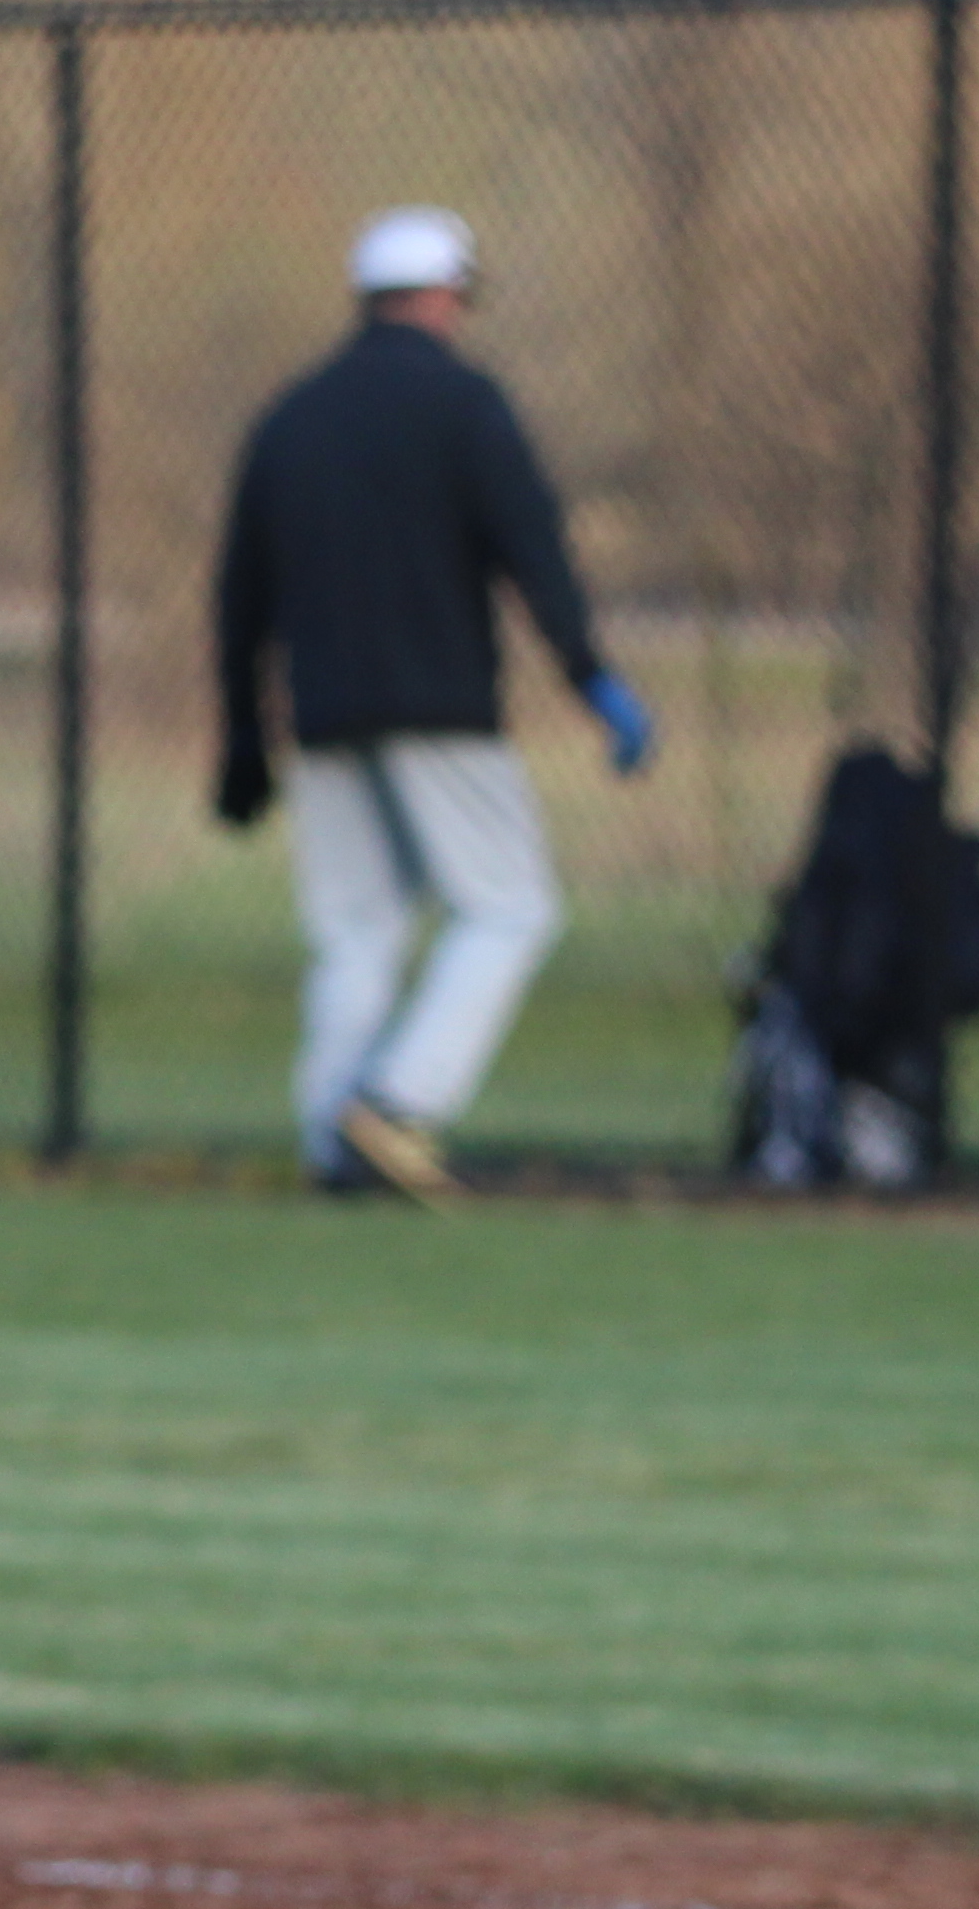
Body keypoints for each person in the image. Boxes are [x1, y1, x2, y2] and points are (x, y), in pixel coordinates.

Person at [209, 205, 650, 1202]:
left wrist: (243, 733)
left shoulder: (293, 415)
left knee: (358, 929)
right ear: (447, 297)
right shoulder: (464, 404)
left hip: (322, 719)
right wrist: (591, 678)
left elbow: (239, 595)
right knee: (509, 910)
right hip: (441, 711)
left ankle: (335, 1136)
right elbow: (532, 551)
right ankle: (399, 1106)